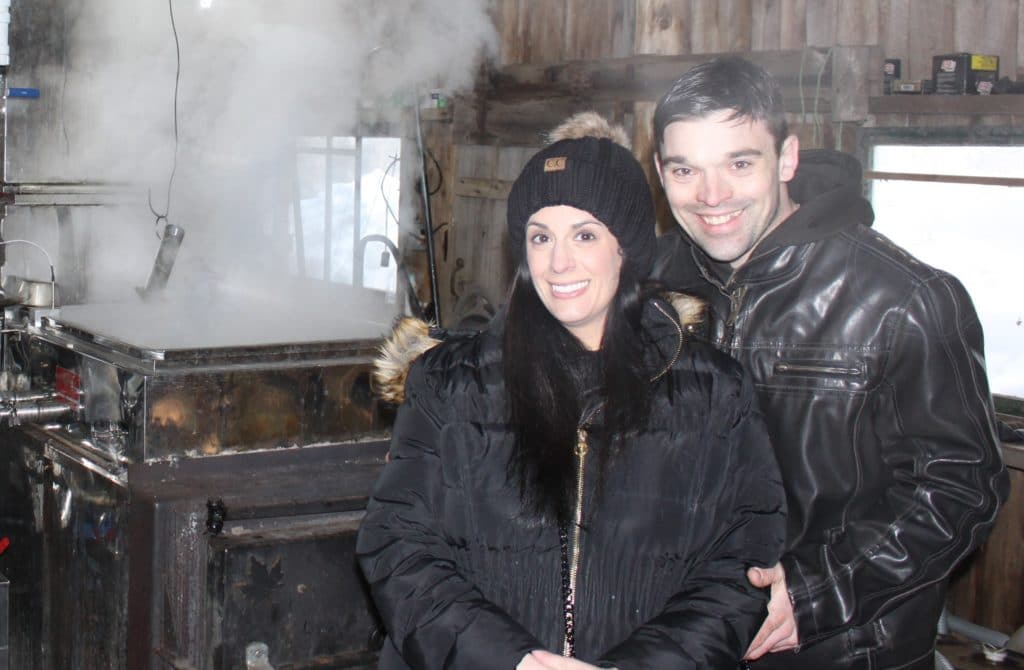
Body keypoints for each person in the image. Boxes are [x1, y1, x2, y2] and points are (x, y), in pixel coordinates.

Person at [356, 112, 786, 670]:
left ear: (626, 247)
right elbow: (396, 543)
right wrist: (513, 660)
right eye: (541, 236)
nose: (559, 262)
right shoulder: (451, 382)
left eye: (585, 234)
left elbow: (743, 562)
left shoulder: (712, 391)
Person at [650, 56, 1010, 670]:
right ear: (660, 172)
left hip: (845, 648)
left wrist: (821, 592)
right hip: (692, 639)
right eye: (686, 169)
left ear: (786, 158)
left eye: (740, 163)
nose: (712, 197)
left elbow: (962, 487)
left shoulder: (906, 299)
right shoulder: (654, 286)